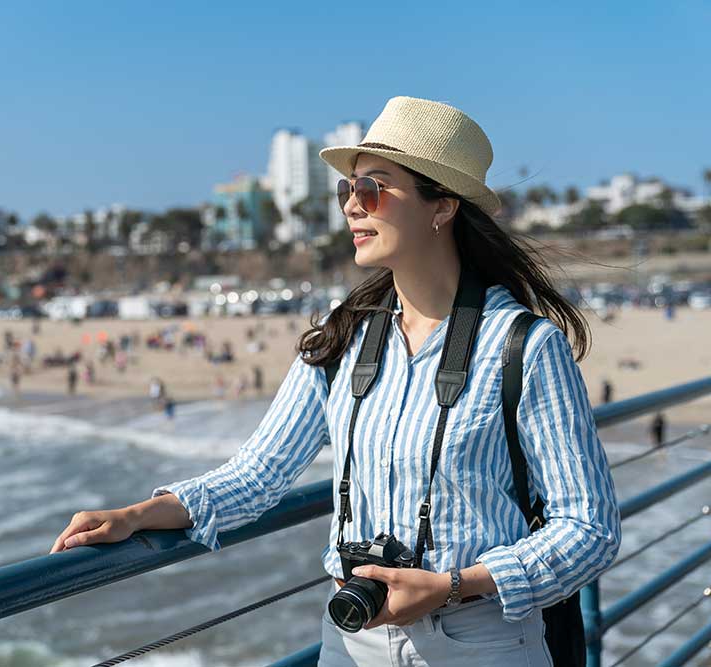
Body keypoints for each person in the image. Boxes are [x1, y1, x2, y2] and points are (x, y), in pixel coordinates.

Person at [49, 96, 620, 666]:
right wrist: (139, 515)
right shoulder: (341, 336)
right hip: (352, 640)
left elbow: (589, 528)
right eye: (345, 191)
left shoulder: (523, 345)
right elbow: (259, 473)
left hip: (481, 641)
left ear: (440, 206)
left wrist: (453, 585)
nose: (351, 206)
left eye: (371, 188)